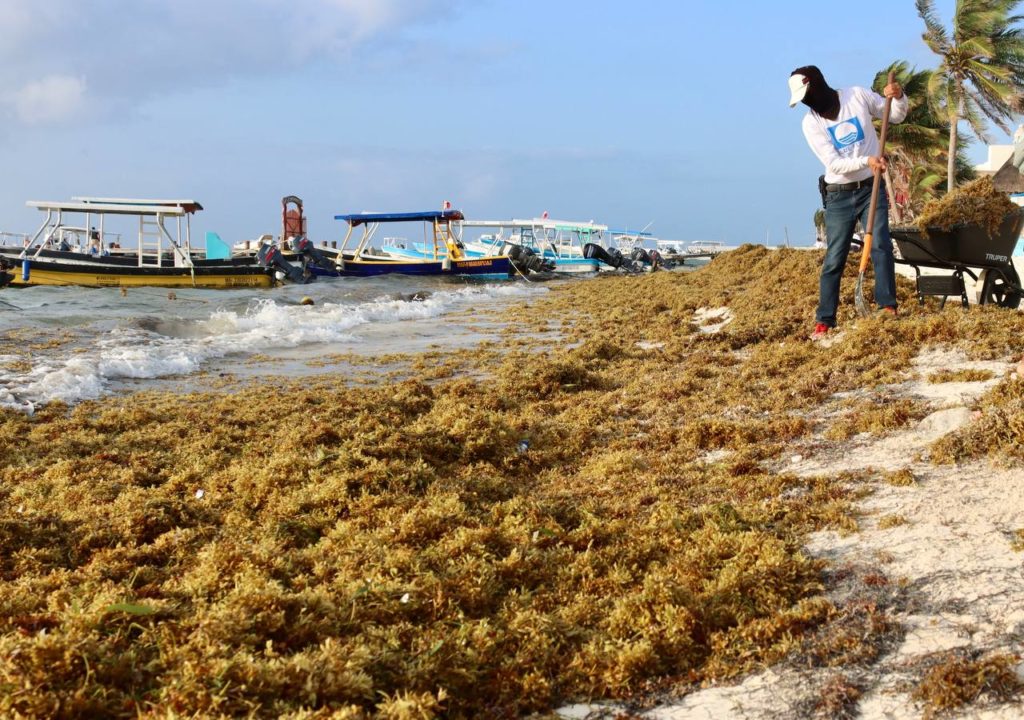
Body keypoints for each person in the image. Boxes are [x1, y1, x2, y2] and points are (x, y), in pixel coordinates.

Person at [789, 65, 908, 339]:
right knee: (835, 257)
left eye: (807, 94)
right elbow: (834, 163)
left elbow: (896, 115)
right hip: (838, 194)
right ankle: (825, 319)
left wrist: (898, 96)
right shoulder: (811, 123)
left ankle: (888, 306)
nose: (808, 102)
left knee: (880, 244)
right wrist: (867, 160)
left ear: (817, 85)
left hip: (871, 188)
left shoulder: (857, 96)